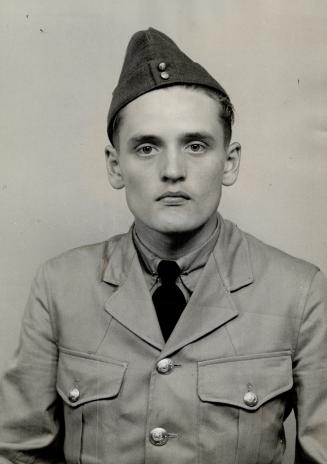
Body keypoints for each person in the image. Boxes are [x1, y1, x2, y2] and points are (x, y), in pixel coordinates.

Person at [0, 27, 326, 464]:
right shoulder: (60, 287)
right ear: (116, 166)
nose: (173, 170)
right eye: (147, 147)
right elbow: (19, 452)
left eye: (196, 145)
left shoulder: (298, 292)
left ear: (229, 162)